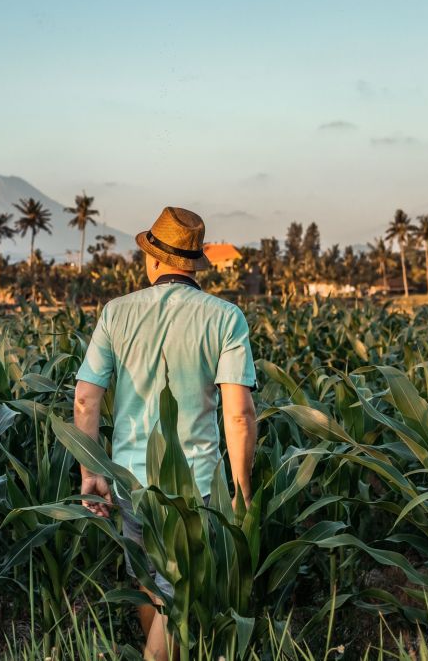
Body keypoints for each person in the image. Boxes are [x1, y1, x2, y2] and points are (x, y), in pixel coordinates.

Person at [72, 206, 258, 661]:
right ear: (193, 265)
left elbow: (85, 399)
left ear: (153, 260)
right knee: (177, 595)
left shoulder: (116, 313)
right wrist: (242, 488)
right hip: (196, 486)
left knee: (152, 588)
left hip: (130, 480)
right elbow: (239, 414)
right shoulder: (225, 317)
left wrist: (91, 472)